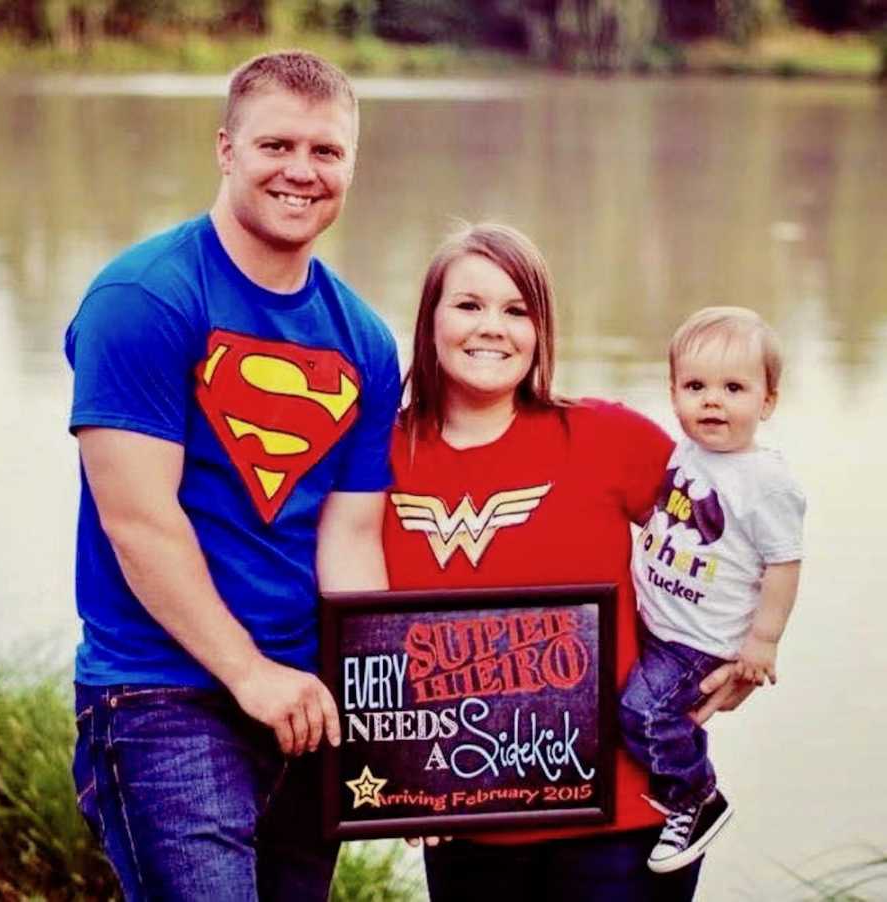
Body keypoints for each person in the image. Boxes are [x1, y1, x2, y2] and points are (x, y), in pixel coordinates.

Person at [65, 50, 400, 900]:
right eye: (275, 145)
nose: (301, 171)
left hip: (304, 706)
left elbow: (351, 539)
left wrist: (385, 710)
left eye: (326, 151)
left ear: (352, 164)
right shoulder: (145, 297)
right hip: (162, 696)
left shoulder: (363, 337)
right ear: (225, 149)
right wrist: (250, 674)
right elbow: (138, 521)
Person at [382, 223, 753, 901]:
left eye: (516, 309)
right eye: (468, 305)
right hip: (467, 819)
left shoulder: (605, 437)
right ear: (429, 318)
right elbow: (364, 630)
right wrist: (398, 772)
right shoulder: (378, 457)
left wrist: (739, 651)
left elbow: (736, 525)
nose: (492, 327)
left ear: (541, 328)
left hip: (623, 818)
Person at [620, 306, 805, 873]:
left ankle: (696, 797)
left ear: (767, 402)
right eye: (695, 386)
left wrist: (763, 642)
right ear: (673, 391)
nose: (712, 401)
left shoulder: (765, 482)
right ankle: (679, 785)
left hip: (697, 641)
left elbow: (784, 562)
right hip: (658, 622)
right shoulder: (686, 451)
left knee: (644, 713)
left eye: (734, 388)